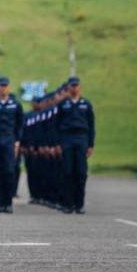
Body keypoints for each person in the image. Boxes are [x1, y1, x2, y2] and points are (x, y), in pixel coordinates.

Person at [0, 77, 24, 213]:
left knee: (9, 172)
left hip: (9, 142)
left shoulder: (15, 105)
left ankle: (8, 203)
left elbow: (20, 125)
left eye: (5, 86)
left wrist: (17, 141)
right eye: (1, 85)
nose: (3, 88)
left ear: (9, 87)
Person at [55, 76, 94, 214]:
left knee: (81, 173)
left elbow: (91, 125)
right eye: (72, 85)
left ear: (80, 87)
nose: (74, 88)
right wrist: (58, 144)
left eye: (76, 85)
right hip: (67, 139)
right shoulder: (63, 104)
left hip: (82, 138)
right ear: (69, 87)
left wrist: (91, 145)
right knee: (67, 172)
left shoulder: (86, 104)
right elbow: (56, 125)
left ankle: (79, 204)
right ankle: (68, 204)